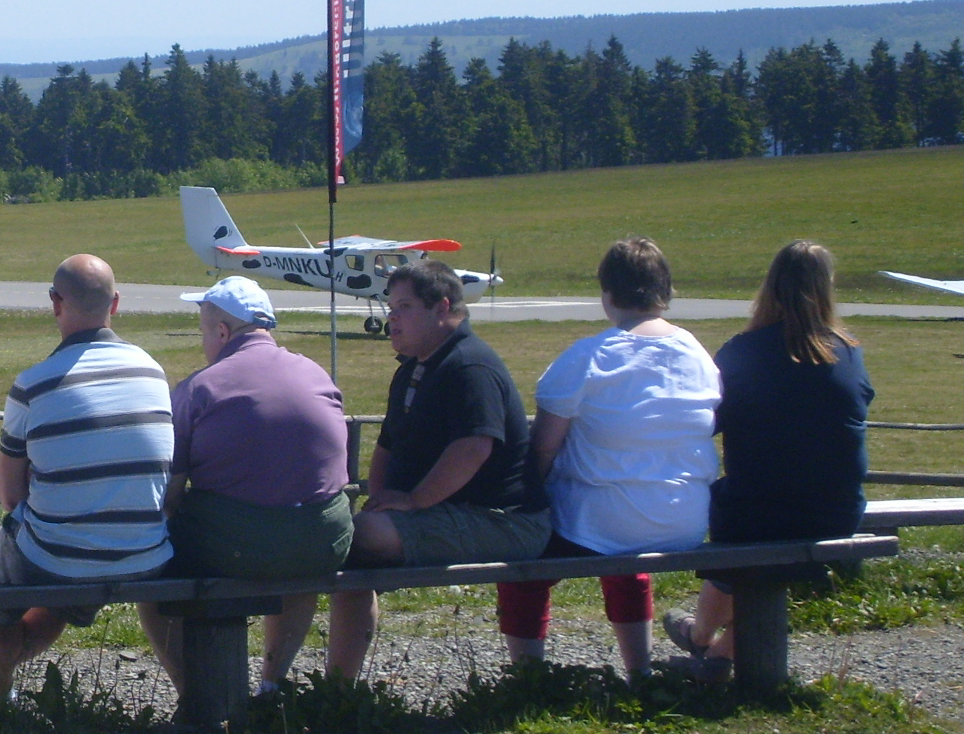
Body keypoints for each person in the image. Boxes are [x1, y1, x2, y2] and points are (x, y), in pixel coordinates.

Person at [0, 254, 176, 706]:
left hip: (60, 554)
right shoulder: (153, 371)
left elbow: (12, 497)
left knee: (2, 581)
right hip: (147, 551)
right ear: (115, 304)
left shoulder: (33, 384)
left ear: (56, 303)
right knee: (55, 571)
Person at [494, 238, 720, 675]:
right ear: (665, 292)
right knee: (623, 547)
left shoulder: (590, 355)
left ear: (608, 294)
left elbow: (543, 446)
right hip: (685, 518)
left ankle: (528, 675)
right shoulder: (698, 355)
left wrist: (525, 499)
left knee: (527, 563)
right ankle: (639, 671)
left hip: (601, 521)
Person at [330, 260, 549, 680]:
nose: (391, 317)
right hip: (452, 512)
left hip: (504, 520)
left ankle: (332, 690)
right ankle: (338, 690)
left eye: (405, 306)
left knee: (355, 536)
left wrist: (413, 502)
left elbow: (473, 447)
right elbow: (387, 448)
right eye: (390, 306)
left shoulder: (470, 366)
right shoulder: (413, 368)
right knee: (353, 538)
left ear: (442, 307)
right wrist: (381, 503)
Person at [666, 240, 873, 679]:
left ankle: (701, 639)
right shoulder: (849, 352)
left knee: (737, 520)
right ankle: (715, 653)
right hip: (836, 512)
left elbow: (707, 420)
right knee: (751, 520)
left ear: (769, 288)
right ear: (827, 289)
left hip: (755, 512)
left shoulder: (744, 351)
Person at [154, 276, 351, 694]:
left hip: (235, 549)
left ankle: (197, 695)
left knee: (149, 569)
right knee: (297, 552)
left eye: (205, 332)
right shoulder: (315, 374)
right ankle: (271, 684)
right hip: (322, 541)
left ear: (222, 332)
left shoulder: (199, 388)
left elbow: (168, 494)